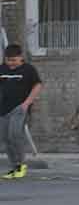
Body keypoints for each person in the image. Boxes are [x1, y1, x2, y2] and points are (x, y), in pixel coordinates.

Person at [1, 44, 43, 180]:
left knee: (14, 134)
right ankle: (14, 167)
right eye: (8, 60)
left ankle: (21, 165)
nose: (11, 63)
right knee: (6, 139)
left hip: (20, 108)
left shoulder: (28, 69)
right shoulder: (2, 69)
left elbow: (38, 85)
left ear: (21, 57)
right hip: (2, 109)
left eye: (14, 60)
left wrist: (27, 103)